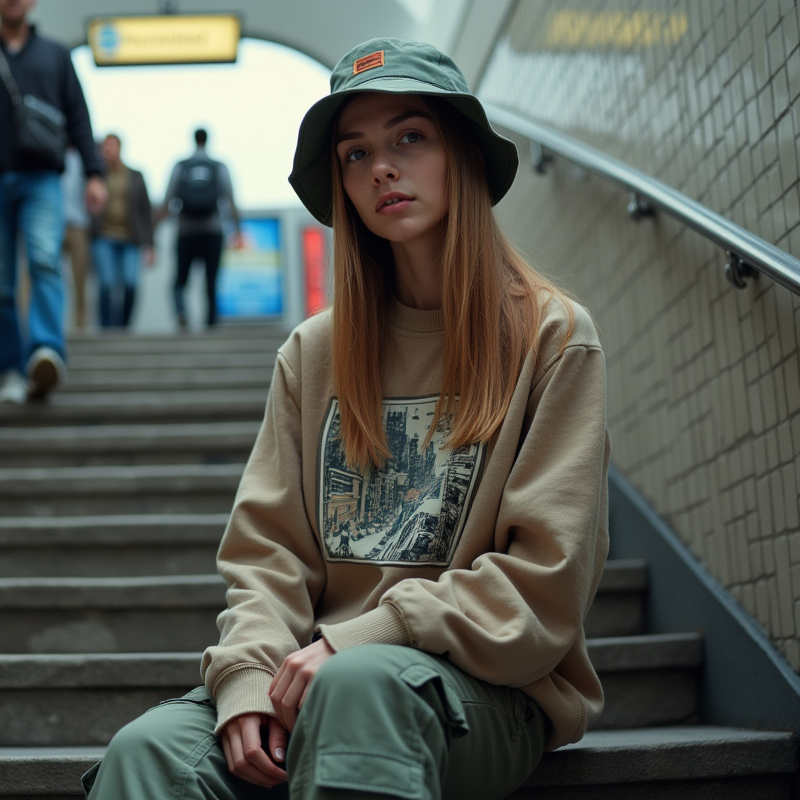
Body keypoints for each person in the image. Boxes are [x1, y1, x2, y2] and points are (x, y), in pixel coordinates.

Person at [82, 39, 611, 800]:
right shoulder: (315, 353)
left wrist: (365, 636)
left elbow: (543, 585)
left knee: (360, 689)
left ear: (459, 150)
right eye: (355, 153)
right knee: (149, 751)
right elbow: (268, 558)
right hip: (317, 678)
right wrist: (244, 682)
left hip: (487, 687)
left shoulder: (554, 339)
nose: (381, 169)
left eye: (409, 138)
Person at [0, 0, 106, 404]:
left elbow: (78, 116)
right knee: (0, 282)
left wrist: (95, 173)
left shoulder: (55, 55)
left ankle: (46, 352)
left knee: (45, 259)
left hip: (42, 180)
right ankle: (11, 370)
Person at [162, 128, 241, 329]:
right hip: (212, 231)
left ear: (193, 139)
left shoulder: (181, 166)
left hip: (186, 231)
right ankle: (211, 323)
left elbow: (168, 198)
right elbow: (230, 199)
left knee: (180, 281)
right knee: (211, 281)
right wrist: (238, 230)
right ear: (207, 140)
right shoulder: (218, 166)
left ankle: (181, 313)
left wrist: (153, 230)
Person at [90, 134, 155, 328]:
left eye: (112, 146)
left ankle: (123, 327)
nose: (108, 150)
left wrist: (150, 245)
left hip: (131, 239)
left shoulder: (135, 176)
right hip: (104, 237)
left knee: (130, 284)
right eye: (105, 147)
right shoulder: (96, 176)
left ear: (120, 148)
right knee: (106, 285)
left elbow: (146, 210)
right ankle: (106, 329)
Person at [59, 148, 93, 330]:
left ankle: (81, 325)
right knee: (40, 274)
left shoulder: (88, 159)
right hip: (52, 222)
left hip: (79, 224)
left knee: (80, 279)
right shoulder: (52, 151)